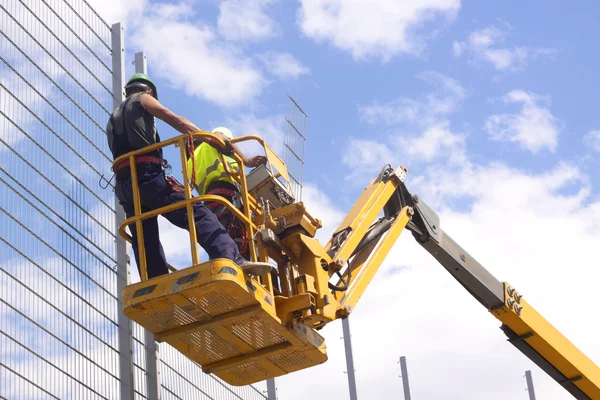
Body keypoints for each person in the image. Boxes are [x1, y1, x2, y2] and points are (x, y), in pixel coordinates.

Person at [105, 73, 272, 279]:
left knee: (144, 237)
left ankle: (155, 282)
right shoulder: (143, 98)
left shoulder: (112, 119)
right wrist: (212, 138)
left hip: (124, 187)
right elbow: (176, 120)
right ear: (148, 91)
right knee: (196, 213)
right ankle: (231, 257)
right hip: (147, 177)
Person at [186, 126, 255, 259]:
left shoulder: (189, 162)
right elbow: (223, 140)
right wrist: (246, 162)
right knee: (238, 233)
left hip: (209, 199)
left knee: (218, 234)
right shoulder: (213, 141)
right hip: (227, 191)